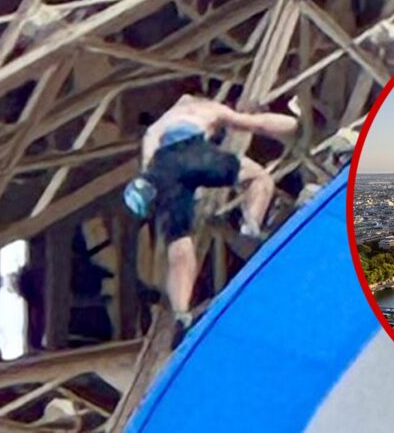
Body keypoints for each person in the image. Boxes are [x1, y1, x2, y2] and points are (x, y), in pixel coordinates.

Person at [123, 94, 297, 346]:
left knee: (179, 246)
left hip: (162, 168)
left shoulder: (156, 127)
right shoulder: (206, 109)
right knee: (258, 178)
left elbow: (149, 164)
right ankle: (250, 227)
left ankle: (181, 315)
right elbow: (258, 124)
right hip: (193, 151)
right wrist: (296, 125)